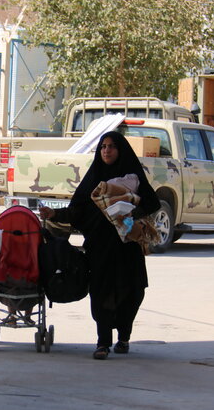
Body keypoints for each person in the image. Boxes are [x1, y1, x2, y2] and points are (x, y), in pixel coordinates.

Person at [39, 131, 160, 360]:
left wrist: (131, 212)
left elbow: (151, 203)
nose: (107, 150)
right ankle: (103, 342)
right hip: (100, 246)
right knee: (101, 292)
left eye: (112, 146)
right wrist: (54, 213)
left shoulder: (133, 177)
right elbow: (77, 211)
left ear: (120, 150)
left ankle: (124, 335)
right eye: (103, 146)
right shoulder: (93, 177)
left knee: (133, 291)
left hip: (127, 247)